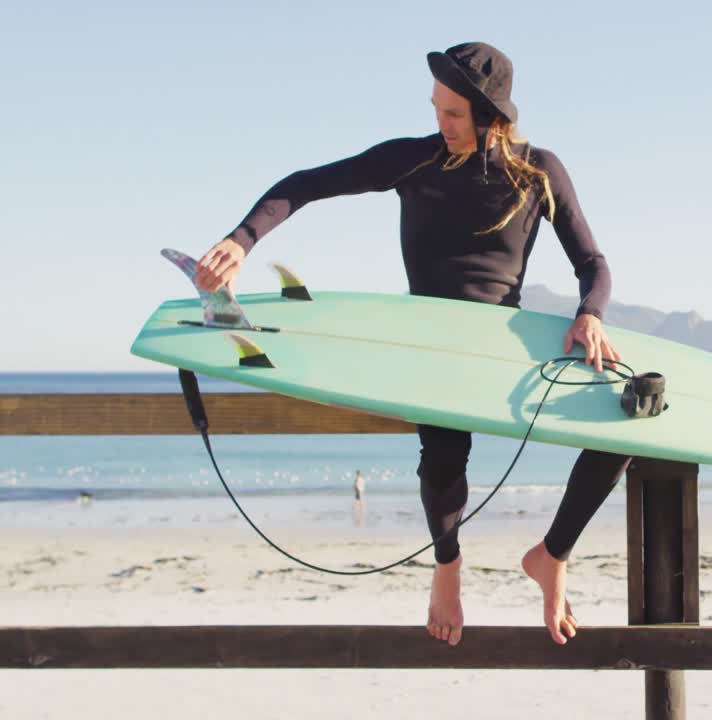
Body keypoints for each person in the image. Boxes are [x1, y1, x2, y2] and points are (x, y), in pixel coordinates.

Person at [192, 42, 631, 647]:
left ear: (490, 115)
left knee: (625, 425)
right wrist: (242, 240)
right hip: (429, 347)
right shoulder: (414, 161)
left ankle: (551, 556)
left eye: (453, 114)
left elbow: (594, 263)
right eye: (437, 109)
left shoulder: (539, 171)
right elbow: (306, 184)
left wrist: (590, 314)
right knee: (444, 459)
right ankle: (447, 565)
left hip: (501, 340)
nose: (440, 124)